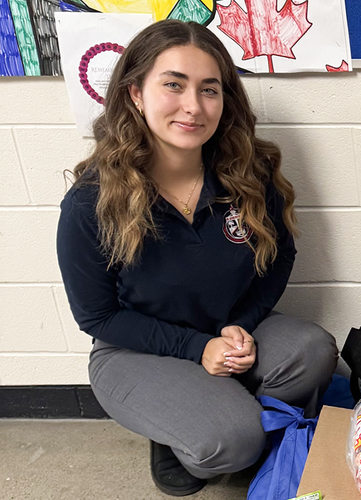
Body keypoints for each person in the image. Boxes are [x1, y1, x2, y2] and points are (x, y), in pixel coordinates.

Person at [55, 20, 339, 496]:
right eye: (173, 84)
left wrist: (243, 323)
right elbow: (97, 315)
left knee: (313, 352)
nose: (193, 106)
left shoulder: (246, 173)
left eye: (210, 89)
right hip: (138, 349)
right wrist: (195, 350)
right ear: (135, 94)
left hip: (227, 330)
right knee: (231, 442)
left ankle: (216, 404)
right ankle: (182, 429)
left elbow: (280, 257)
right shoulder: (91, 202)